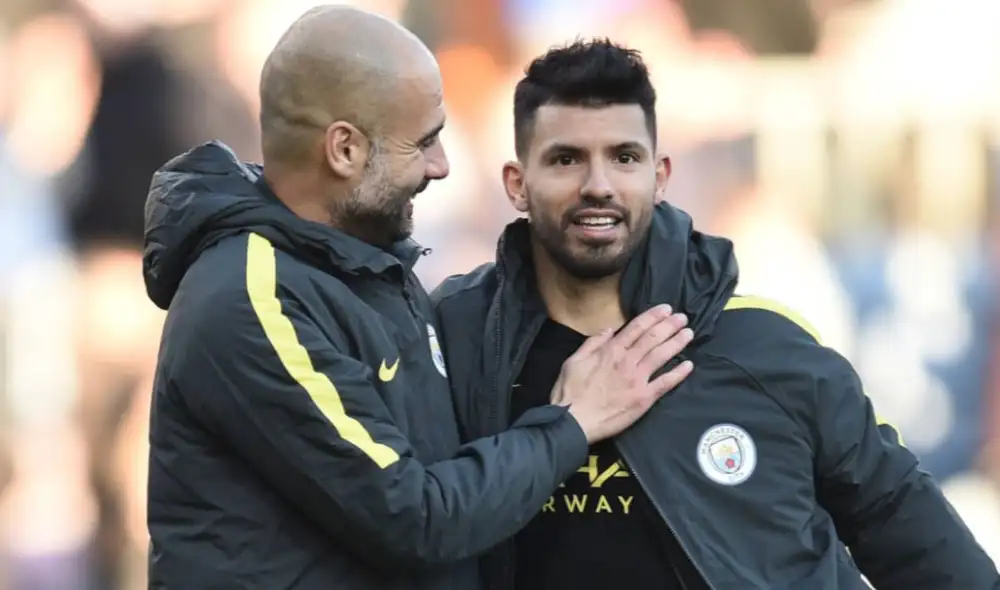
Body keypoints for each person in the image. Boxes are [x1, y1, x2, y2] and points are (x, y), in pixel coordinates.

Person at [141, 7, 693, 590]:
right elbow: (416, 517)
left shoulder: (363, 259)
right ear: (345, 150)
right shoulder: (254, 300)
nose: (442, 165)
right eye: (423, 142)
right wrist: (573, 420)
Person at [431, 39, 1000, 590]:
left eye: (624, 157)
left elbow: (904, 523)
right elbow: (403, 517)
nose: (597, 185)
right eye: (566, 159)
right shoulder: (456, 344)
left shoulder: (763, 345)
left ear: (660, 178)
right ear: (517, 184)